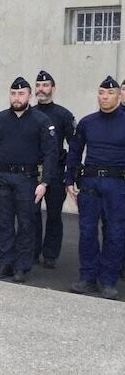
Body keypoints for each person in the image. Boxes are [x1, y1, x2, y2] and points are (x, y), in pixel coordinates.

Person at [0, 77, 58, 283]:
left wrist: (44, 183)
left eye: (21, 93)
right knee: (4, 223)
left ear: (29, 95)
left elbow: (51, 154)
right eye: (13, 94)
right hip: (2, 178)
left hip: (27, 179)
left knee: (26, 224)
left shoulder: (41, 121)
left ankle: (22, 266)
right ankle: (5, 262)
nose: (17, 98)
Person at [65, 75, 125, 300]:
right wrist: (69, 179)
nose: (105, 97)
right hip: (90, 184)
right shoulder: (87, 122)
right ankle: (88, 278)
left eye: (110, 93)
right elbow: (74, 151)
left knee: (115, 233)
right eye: (101, 93)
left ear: (119, 96)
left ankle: (108, 281)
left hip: (118, 185)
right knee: (87, 232)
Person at [31, 70, 75, 269]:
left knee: (54, 215)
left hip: (55, 172)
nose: (42, 89)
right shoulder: (29, 113)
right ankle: (32, 251)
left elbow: (74, 145)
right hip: (33, 171)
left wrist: (70, 175)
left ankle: (50, 254)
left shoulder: (63, 115)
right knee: (31, 213)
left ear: (53, 89)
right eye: (39, 85)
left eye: (46, 85)